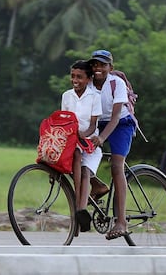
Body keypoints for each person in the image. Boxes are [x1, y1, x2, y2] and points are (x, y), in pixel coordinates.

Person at [88, 49, 136, 240]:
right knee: (77, 155)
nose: (98, 68)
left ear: (110, 67)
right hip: (97, 123)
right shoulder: (88, 83)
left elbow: (115, 117)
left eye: (102, 64)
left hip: (121, 124)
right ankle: (98, 186)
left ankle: (121, 221)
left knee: (117, 166)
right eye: (95, 64)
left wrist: (101, 138)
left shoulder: (117, 83)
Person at [61, 60, 102, 232]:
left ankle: (80, 208)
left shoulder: (94, 97)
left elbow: (93, 125)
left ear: (88, 79)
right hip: (72, 141)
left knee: (84, 170)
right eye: (73, 76)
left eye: (79, 77)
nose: (75, 80)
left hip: (89, 142)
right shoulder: (66, 96)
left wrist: (82, 137)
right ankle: (80, 206)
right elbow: (63, 120)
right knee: (73, 156)